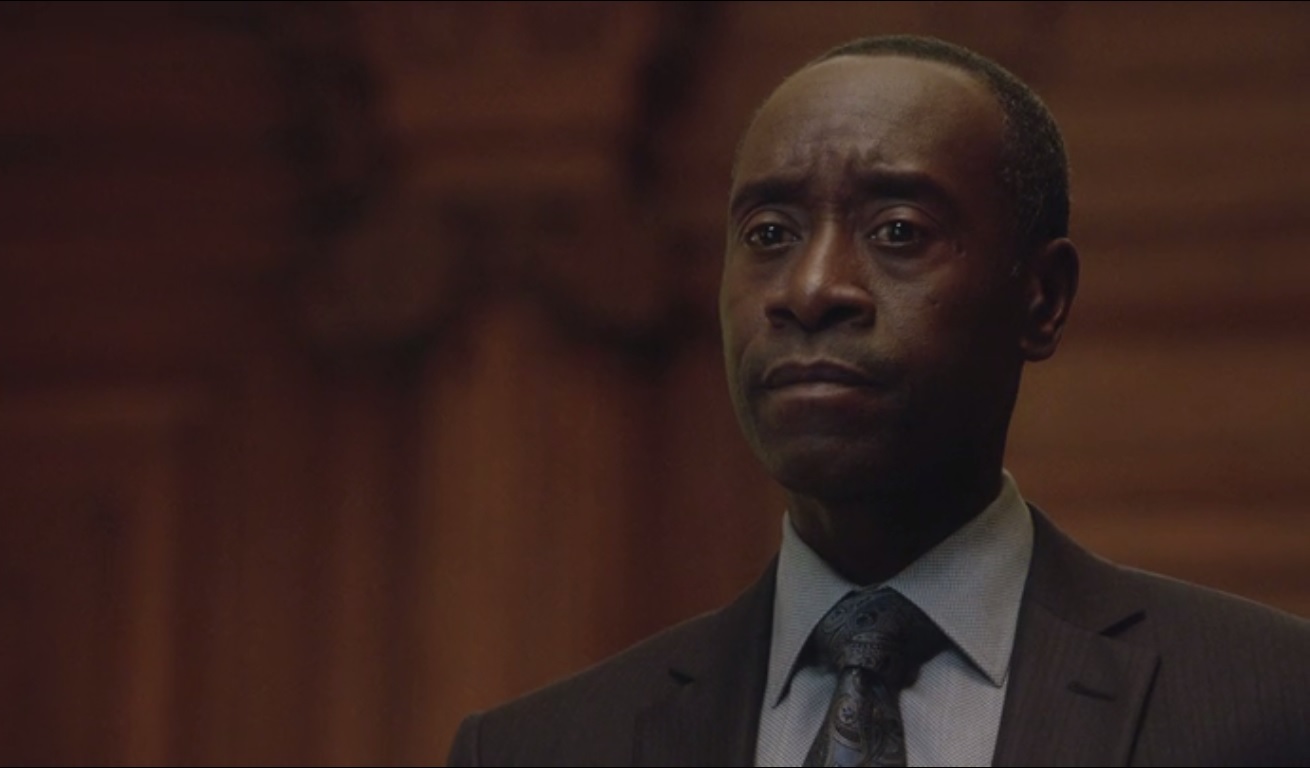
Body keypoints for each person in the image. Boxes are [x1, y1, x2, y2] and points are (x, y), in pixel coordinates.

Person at [445, 34, 1310, 767]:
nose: (812, 287)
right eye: (770, 234)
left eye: (898, 231)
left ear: (1041, 298)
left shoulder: (1270, 704)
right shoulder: (538, 749)